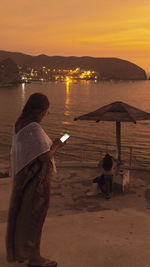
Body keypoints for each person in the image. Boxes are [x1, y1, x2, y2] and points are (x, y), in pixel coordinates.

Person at [6, 93, 64, 267]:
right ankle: (35, 258)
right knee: (35, 219)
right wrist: (57, 145)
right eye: (45, 112)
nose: (45, 115)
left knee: (23, 217)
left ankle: (21, 252)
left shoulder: (19, 124)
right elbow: (45, 156)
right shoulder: (34, 128)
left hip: (23, 180)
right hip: (36, 183)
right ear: (39, 111)